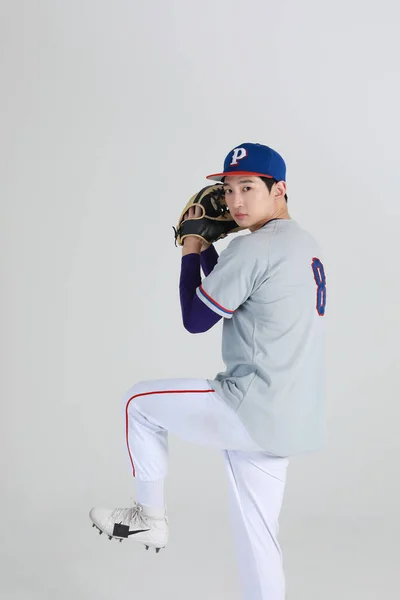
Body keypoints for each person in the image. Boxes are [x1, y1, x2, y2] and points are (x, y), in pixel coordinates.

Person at [89, 142, 327, 600]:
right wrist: (211, 255)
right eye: (229, 189)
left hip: (248, 406)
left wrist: (192, 248)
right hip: (291, 419)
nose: (235, 201)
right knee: (260, 540)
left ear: (279, 190)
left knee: (138, 403)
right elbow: (241, 294)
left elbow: (196, 320)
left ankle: (149, 518)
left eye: (248, 188)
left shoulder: (253, 248)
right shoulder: (303, 243)